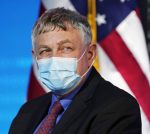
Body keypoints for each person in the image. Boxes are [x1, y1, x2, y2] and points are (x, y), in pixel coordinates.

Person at [9, 7, 141, 134]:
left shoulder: (117, 107)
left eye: (66, 48)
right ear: (35, 57)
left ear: (89, 54)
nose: (54, 58)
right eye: (45, 51)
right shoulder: (27, 111)